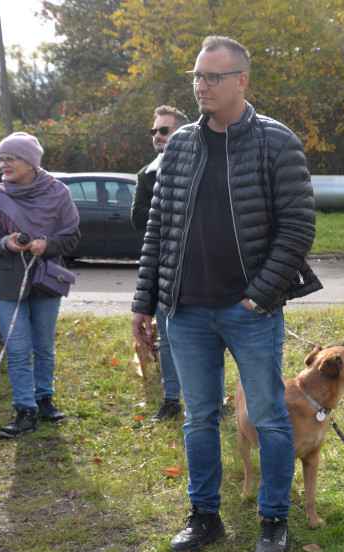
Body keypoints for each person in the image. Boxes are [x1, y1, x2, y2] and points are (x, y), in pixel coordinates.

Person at [130, 35, 321, 552]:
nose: (201, 86)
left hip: (250, 313)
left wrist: (258, 298)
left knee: (269, 417)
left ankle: (274, 520)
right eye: (196, 76)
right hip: (185, 310)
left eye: (212, 77)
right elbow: (158, 228)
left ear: (242, 80)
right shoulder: (180, 145)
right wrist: (144, 299)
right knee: (198, 418)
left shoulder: (276, 142)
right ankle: (204, 517)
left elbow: (298, 228)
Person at [0, 132, 80, 438]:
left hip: (47, 281)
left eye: (10, 159)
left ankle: (44, 399)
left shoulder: (57, 192)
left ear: (30, 162)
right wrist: (4, 243)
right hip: (8, 285)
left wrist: (47, 245)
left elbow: (72, 236)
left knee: (44, 346)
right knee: (17, 350)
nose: (3, 165)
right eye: (0, 159)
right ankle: (25, 410)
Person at [132, 104, 190, 425]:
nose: (157, 135)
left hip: (198, 271)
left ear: (182, 132)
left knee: (204, 340)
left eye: (164, 130)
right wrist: (170, 214)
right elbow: (139, 217)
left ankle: (208, 399)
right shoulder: (147, 174)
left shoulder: (201, 165)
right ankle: (171, 400)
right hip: (163, 269)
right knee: (166, 338)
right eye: (154, 131)